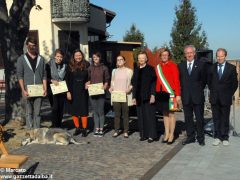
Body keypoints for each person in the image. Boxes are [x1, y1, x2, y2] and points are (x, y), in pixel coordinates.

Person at [208, 48, 238, 146]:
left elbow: (235, 84)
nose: (219, 58)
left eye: (221, 56)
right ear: (216, 56)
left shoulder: (231, 68)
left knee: (225, 118)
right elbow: (209, 82)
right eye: (218, 56)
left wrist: (229, 94)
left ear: (225, 56)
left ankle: (225, 137)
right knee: (216, 118)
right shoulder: (211, 68)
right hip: (214, 97)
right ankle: (217, 136)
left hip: (226, 97)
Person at [178, 45, 207, 146]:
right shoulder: (180, 66)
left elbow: (204, 81)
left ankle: (200, 137)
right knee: (188, 118)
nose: (189, 55)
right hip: (186, 97)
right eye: (187, 53)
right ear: (185, 55)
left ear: (194, 53)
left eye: (190, 53)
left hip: (198, 97)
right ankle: (190, 137)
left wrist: (197, 90)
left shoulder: (201, 64)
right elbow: (180, 81)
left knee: (199, 119)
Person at [17, 37, 47, 129]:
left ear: (36, 46)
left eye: (33, 45)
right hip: (27, 91)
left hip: (39, 90)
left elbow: (44, 75)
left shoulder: (41, 59)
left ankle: (37, 131)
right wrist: (23, 90)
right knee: (29, 113)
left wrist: (45, 88)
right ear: (27, 46)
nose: (32, 47)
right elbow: (20, 76)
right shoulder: (21, 59)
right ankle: (30, 132)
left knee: (37, 113)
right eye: (30, 45)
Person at [155, 48, 181, 145]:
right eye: (163, 55)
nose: (164, 56)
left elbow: (177, 81)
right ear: (160, 56)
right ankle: (166, 133)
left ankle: (172, 134)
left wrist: (178, 95)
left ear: (168, 56)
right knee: (165, 114)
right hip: (161, 93)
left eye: (166, 54)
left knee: (171, 114)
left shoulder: (173, 66)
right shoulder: (158, 67)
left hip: (171, 93)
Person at [132, 51, 157, 143]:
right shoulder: (136, 69)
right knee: (141, 117)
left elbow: (153, 83)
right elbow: (134, 84)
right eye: (139, 58)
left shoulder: (150, 69)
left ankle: (151, 135)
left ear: (146, 59)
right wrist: (134, 97)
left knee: (149, 116)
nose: (141, 59)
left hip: (148, 96)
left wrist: (153, 95)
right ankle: (143, 134)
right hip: (138, 97)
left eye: (143, 58)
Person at [65, 49, 90, 136]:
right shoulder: (70, 66)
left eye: (79, 55)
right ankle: (77, 128)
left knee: (83, 110)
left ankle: (84, 129)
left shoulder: (87, 65)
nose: (78, 57)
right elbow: (67, 80)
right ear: (74, 57)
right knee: (74, 110)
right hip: (73, 91)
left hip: (83, 91)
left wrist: (89, 81)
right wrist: (68, 91)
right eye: (76, 56)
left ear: (82, 56)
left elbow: (90, 76)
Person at [109, 55, 133, 138]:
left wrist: (129, 89)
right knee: (117, 114)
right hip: (116, 95)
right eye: (118, 60)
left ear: (124, 61)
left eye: (121, 59)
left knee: (125, 114)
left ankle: (126, 131)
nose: (119, 61)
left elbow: (132, 83)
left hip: (125, 95)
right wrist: (111, 88)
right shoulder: (114, 71)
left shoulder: (129, 71)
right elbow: (112, 81)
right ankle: (116, 130)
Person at [87, 52, 110, 137]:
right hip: (92, 92)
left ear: (100, 58)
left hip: (101, 92)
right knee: (95, 111)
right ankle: (96, 128)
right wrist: (87, 84)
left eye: (97, 57)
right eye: (93, 57)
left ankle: (101, 129)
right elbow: (88, 79)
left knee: (101, 111)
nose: (95, 58)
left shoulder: (104, 68)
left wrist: (105, 85)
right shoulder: (90, 68)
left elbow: (107, 79)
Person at [46, 49, 67, 128]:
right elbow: (45, 77)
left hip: (62, 89)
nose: (59, 58)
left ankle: (59, 124)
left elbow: (66, 77)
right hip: (52, 89)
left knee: (61, 108)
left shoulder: (65, 65)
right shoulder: (48, 65)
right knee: (55, 108)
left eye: (61, 57)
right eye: (58, 56)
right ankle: (54, 125)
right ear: (54, 56)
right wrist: (51, 80)